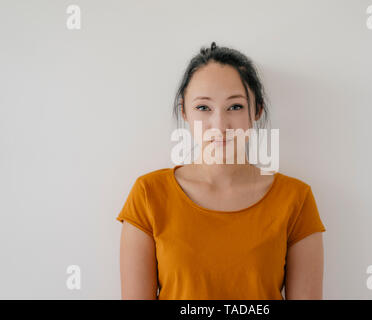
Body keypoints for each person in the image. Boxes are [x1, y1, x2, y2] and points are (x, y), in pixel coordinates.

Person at [116, 42, 326, 300]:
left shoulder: (296, 198)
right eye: (203, 108)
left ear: (256, 110)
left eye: (235, 106)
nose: (219, 125)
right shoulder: (148, 194)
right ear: (184, 111)